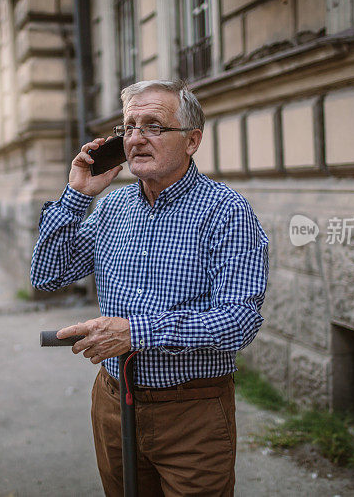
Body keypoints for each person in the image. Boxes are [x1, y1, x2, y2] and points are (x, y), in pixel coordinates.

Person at [31, 80, 269, 496]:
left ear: (192, 141)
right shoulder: (112, 206)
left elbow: (240, 320)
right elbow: (47, 275)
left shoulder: (226, 212)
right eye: (129, 127)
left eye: (154, 126)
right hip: (112, 403)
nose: (137, 139)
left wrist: (134, 334)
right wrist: (75, 196)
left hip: (191, 412)